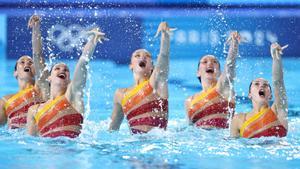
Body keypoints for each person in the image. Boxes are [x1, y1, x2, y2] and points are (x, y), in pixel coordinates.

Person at [26, 27, 106, 138]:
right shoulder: (34, 110)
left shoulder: (72, 98)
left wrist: (93, 40)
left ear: (69, 80)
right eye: (57, 68)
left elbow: (83, 62)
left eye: (66, 70)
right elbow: (31, 143)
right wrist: (36, 28)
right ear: (49, 77)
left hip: (71, 153)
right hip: (45, 154)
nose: (62, 70)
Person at [109, 22, 172, 134]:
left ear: (152, 66)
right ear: (131, 65)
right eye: (137, 55)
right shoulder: (120, 94)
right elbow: (113, 129)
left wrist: (165, 36)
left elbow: (164, 56)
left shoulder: (156, 84)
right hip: (134, 145)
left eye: (147, 56)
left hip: (157, 145)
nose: (142, 57)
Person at [0, 15, 49, 129]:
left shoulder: (41, 89)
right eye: (22, 62)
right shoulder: (5, 101)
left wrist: (36, 29)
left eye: (30, 62)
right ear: (15, 73)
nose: (26, 64)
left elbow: (38, 56)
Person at [230, 43, 288, 138]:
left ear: (270, 95)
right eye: (256, 84)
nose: (261, 86)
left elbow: (278, 82)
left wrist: (276, 58)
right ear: (249, 94)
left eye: (265, 85)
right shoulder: (238, 120)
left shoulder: (278, 110)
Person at [185, 32, 240, 129]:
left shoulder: (224, 89)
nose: (210, 63)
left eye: (215, 62)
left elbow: (230, 66)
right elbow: (189, 127)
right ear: (198, 72)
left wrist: (234, 44)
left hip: (222, 140)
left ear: (219, 72)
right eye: (205, 62)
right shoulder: (190, 101)